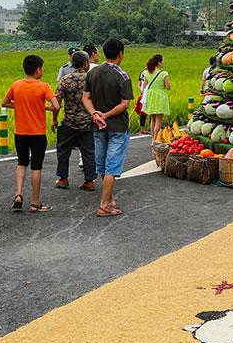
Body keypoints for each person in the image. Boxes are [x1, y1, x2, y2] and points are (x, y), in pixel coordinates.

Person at [83, 38, 134, 217]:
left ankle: (110, 199)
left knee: (102, 165)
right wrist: (105, 115)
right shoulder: (123, 76)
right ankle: (105, 205)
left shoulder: (93, 73)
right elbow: (124, 104)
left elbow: (86, 98)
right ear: (120, 54)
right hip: (117, 126)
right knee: (112, 166)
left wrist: (95, 114)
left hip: (97, 126)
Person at [2, 55, 59, 213]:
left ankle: (18, 194)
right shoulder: (44, 86)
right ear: (38, 70)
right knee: (36, 167)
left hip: (20, 132)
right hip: (37, 133)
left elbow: (4, 102)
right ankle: (35, 203)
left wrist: (19, 106)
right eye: (42, 68)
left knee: (22, 163)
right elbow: (56, 105)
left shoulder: (16, 85)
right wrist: (45, 108)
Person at [53, 51, 96, 192]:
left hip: (69, 121)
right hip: (87, 122)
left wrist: (54, 120)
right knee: (88, 151)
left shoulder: (65, 79)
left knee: (63, 150)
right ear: (85, 63)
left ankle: (63, 179)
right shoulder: (91, 80)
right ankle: (89, 181)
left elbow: (57, 103)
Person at [142, 54, 171, 136]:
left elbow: (144, 86)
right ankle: (155, 140)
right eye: (163, 60)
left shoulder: (147, 72)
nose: (163, 62)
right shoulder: (163, 73)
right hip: (160, 97)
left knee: (153, 119)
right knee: (159, 120)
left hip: (150, 96)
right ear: (159, 62)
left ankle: (152, 138)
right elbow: (168, 87)